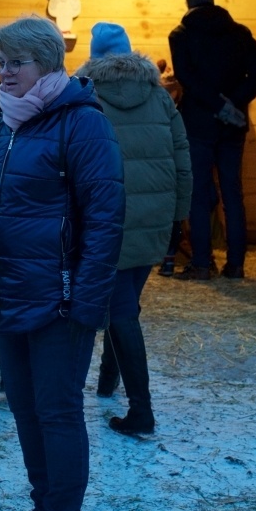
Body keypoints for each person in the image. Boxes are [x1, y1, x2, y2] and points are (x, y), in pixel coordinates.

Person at [0, 14, 125, 511]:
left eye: (17, 63)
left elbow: (106, 219)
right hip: (12, 292)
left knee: (58, 414)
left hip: (58, 300)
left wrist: (84, 300)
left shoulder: (81, 124)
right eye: (1, 62)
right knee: (27, 409)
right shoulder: (11, 122)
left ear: (48, 65)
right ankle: (44, 510)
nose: (5, 73)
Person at [79, 22, 191, 438]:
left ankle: (141, 411)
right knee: (123, 301)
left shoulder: (84, 93)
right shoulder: (161, 97)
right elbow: (182, 158)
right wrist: (177, 219)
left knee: (120, 308)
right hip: (155, 216)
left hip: (105, 216)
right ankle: (109, 380)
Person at [168, 0, 256, 280]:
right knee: (232, 193)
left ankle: (202, 262)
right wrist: (232, 104)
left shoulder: (180, 34)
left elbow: (187, 78)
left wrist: (216, 106)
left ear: (188, 1)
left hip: (198, 123)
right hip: (232, 126)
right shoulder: (239, 33)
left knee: (199, 193)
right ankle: (236, 264)